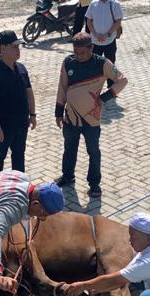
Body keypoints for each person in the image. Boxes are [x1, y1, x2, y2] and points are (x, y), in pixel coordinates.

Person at [54, 32, 127, 197]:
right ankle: (68, 176)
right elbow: (62, 88)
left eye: (82, 52)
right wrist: (58, 112)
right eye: (75, 52)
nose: (78, 56)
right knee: (69, 149)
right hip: (70, 118)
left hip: (91, 120)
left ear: (91, 48)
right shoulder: (68, 62)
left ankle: (94, 184)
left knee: (93, 151)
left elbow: (122, 80)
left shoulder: (102, 64)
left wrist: (105, 98)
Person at [0, 30, 36, 175]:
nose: (18, 50)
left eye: (18, 47)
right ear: (3, 48)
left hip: (21, 124)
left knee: (19, 156)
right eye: (14, 47)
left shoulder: (21, 68)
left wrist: (32, 114)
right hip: (4, 127)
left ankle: (19, 188)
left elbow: (29, 92)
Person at [85, 0, 123, 88]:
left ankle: (111, 86)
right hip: (95, 41)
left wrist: (108, 34)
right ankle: (95, 86)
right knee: (94, 64)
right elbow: (89, 21)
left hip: (109, 41)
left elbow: (118, 21)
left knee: (110, 64)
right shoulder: (93, 4)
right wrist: (95, 35)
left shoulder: (114, 4)